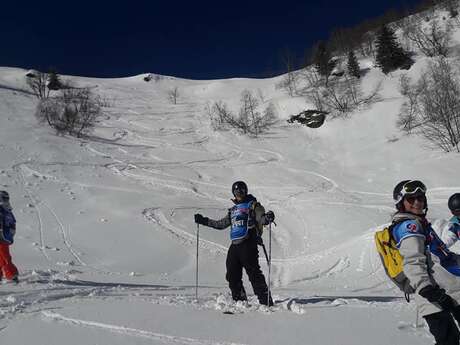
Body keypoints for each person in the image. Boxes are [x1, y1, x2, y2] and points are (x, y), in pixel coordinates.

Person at [391, 180, 460, 344]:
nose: (417, 202)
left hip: (451, 290)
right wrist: (427, 289)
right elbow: (412, 261)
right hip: (436, 296)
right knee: (448, 341)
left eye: (420, 198)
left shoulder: (421, 224)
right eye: (411, 199)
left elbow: (441, 255)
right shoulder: (409, 227)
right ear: (401, 203)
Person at [194, 181, 275, 306]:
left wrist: (267, 218)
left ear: (246, 191)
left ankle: (266, 301)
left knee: (254, 274)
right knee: (232, 274)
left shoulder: (253, 205)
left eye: (242, 191)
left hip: (249, 243)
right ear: (233, 193)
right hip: (235, 246)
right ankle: (239, 300)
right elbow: (220, 224)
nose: (239, 194)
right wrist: (204, 221)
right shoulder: (233, 210)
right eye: (237, 191)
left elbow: (261, 217)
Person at [0, 190, 18, 283]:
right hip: (3, 237)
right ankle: (11, 274)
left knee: (3, 257)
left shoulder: (5, 210)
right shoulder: (5, 209)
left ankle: (11, 274)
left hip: (3, 237)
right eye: (5, 198)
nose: (6, 200)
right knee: (4, 257)